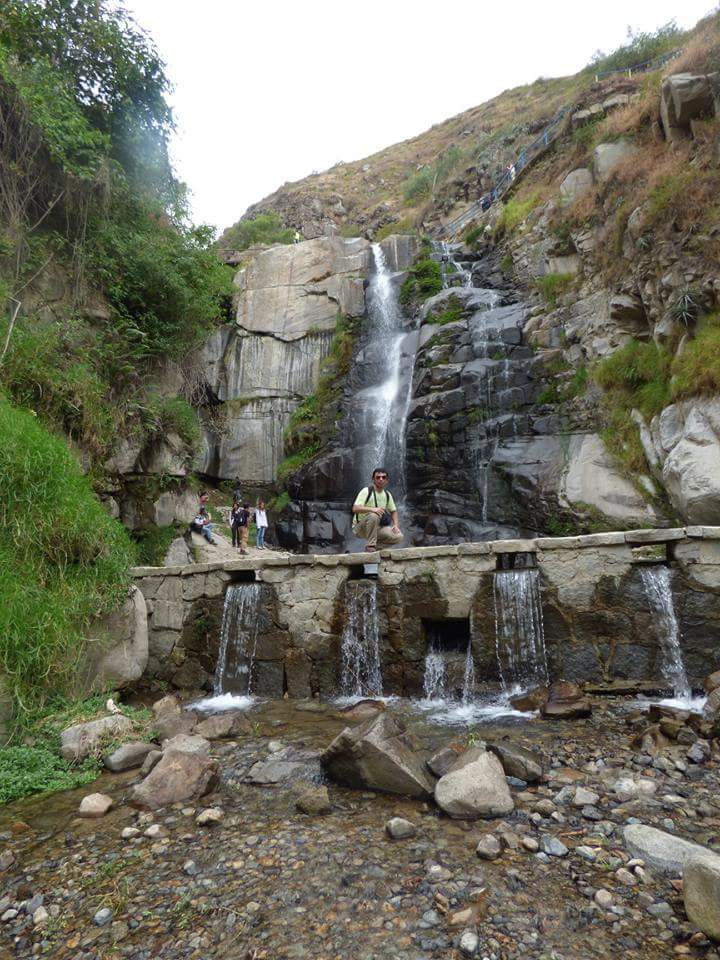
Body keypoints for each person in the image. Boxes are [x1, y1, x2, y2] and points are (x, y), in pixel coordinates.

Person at [352, 468, 403, 552]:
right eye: (378, 477)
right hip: (360, 527)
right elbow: (355, 508)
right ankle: (370, 545)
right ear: (373, 479)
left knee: (399, 536)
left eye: (383, 477)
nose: (381, 479)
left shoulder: (387, 495)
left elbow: (393, 511)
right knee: (374, 515)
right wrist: (373, 509)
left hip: (376, 527)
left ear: (387, 480)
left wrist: (396, 525)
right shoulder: (366, 491)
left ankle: (375, 548)